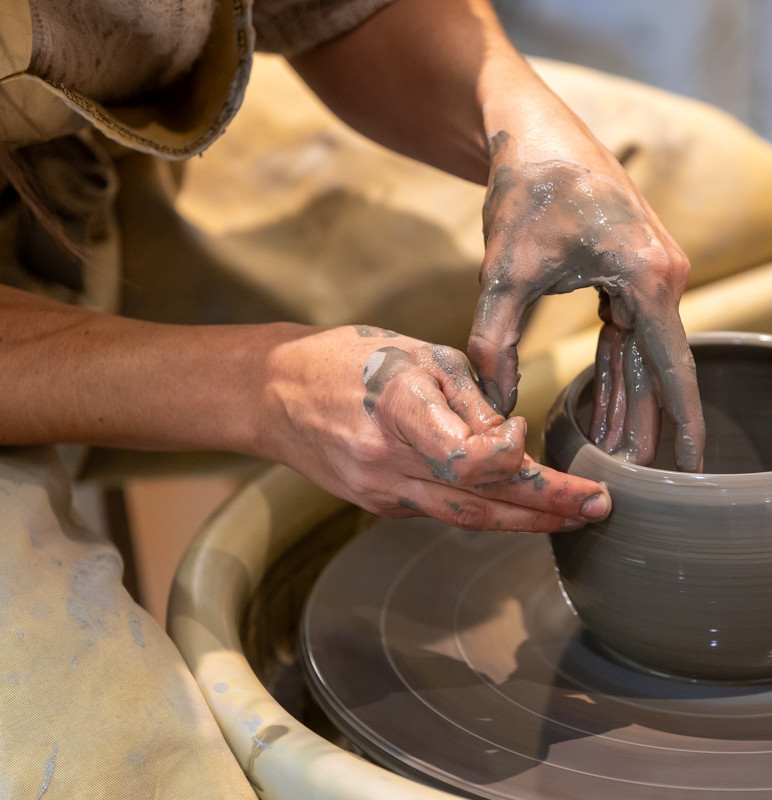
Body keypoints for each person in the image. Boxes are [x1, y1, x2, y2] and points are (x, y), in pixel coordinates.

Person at [0, 0, 704, 795]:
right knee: (127, 770)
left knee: (738, 208)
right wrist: (264, 386)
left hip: (99, 140)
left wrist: (526, 130)